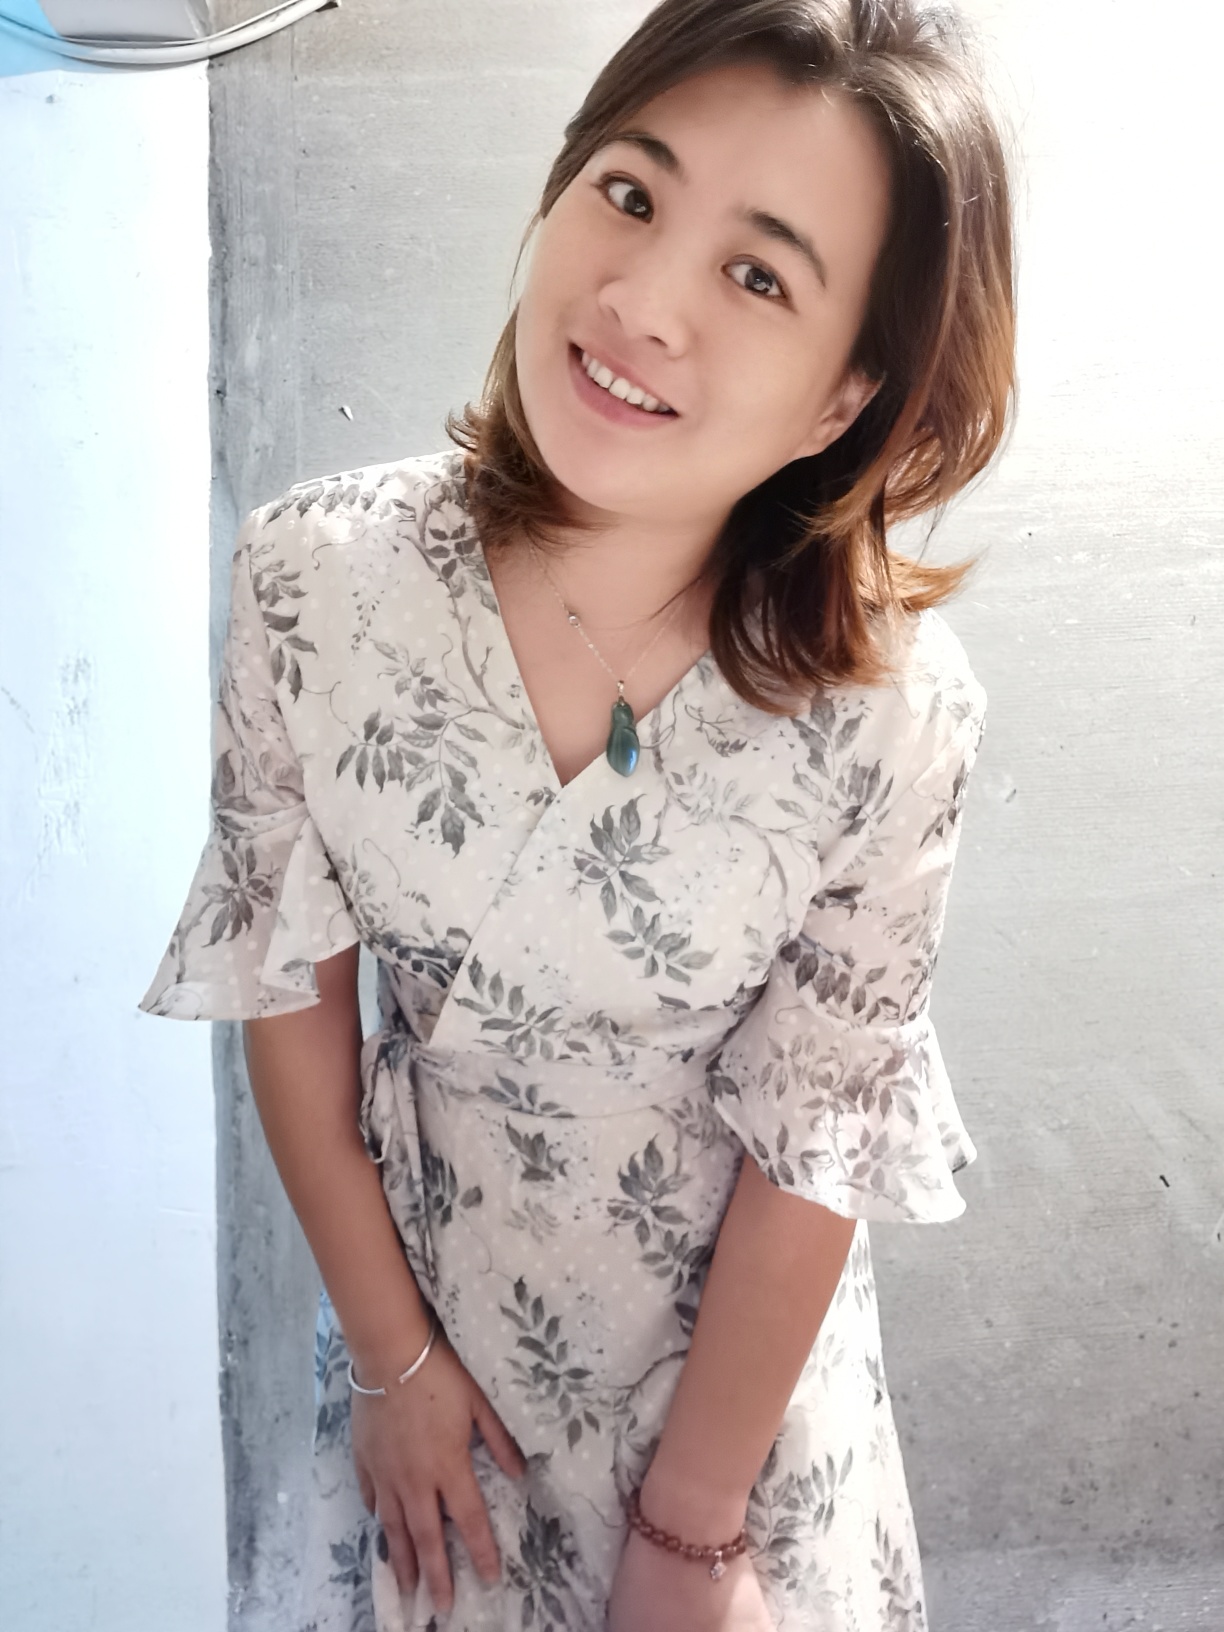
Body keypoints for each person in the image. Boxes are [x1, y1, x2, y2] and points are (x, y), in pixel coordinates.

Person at [139, 1, 1015, 1626]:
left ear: (842, 399)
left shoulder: (891, 714)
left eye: (759, 277)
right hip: (427, 1317)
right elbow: (290, 993)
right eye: (629, 192)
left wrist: (693, 1533)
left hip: (732, 1400)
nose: (640, 303)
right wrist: (392, 1361)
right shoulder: (313, 577)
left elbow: (812, 1145)